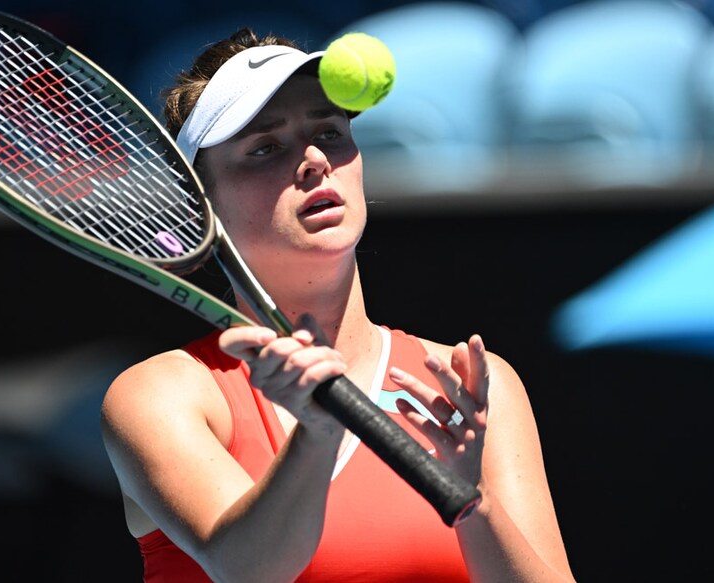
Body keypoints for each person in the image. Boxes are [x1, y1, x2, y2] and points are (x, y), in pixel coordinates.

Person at [101, 28, 575, 583]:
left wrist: (474, 503)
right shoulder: (161, 395)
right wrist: (318, 431)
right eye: (264, 148)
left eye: (329, 132)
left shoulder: (476, 381)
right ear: (201, 205)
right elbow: (248, 569)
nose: (312, 160)